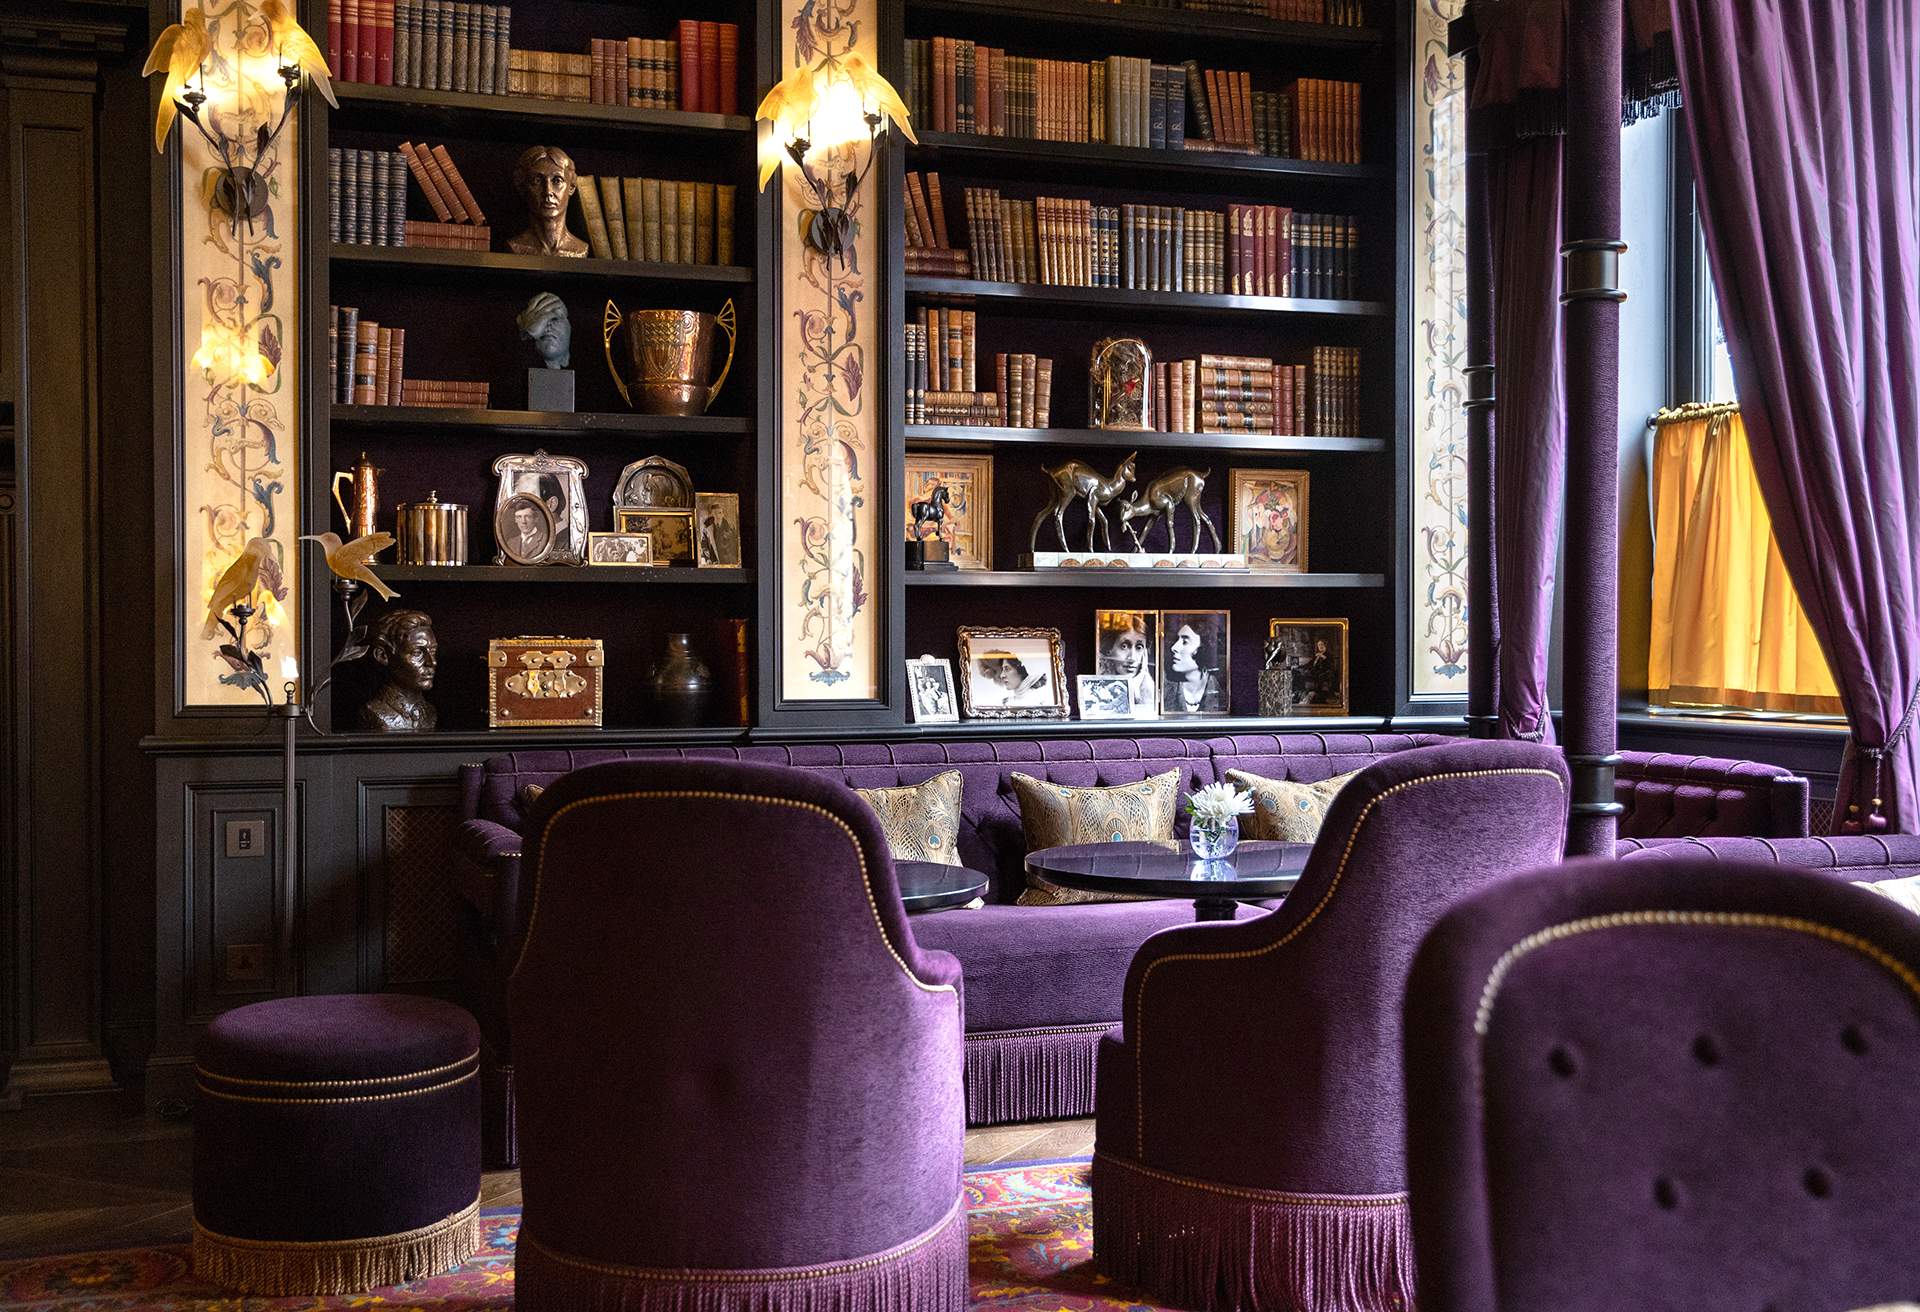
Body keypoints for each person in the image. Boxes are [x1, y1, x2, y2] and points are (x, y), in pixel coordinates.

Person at [357, 609, 438, 732]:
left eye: (433, 651)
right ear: (383, 656)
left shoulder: (429, 712)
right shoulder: (374, 711)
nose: (432, 662)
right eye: (417, 653)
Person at [506, 145, 589, 257]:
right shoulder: (515, 246)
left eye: (557, 180)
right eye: (537, 180)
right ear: (522, 187)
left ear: (572, 187)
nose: (548, 191)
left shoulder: (580, 249)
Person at [1163, 620, 1226, 714]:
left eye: (1185, 642)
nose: (1174, 648)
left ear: (1204, 648)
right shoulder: (1165, 691)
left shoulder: (1222, 696)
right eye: (1176, 640)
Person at [1097, 612, 1156, 710]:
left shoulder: (1151, 688)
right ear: (1109, 649)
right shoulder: (1098, 687)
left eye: (1139, 647)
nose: (1132, 658)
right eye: (1124, 646)